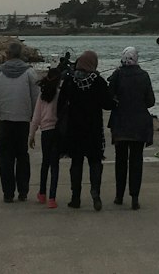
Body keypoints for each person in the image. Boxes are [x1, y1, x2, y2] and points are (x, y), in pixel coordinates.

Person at [0, 40, 39, 203]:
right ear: (21, 55)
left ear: (8, 54)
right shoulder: (30, 73)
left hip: (4, 121)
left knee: (5, 158)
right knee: (22, 156)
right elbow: (36, 97)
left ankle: (8, 193)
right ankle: (23, 192)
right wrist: (34, 116)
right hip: (23, 122)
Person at [57, 50, 114, 211]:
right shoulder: (97, 81)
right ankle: (95, 193)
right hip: (93, 129)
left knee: (76, 163)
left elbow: (60, 104)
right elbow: (108, 104)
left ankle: (75, 198)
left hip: (74, 129)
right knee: (95, 162)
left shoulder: (69, 80)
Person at [107, 47, 155, 210]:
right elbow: (150, 102)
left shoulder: (118, 75)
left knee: (120, 161)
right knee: (136, 161)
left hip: (120, 124)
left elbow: (109, 97)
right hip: (139, 125)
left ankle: (119, 196)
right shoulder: (144, 75)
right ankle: (135, 197)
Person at [28, 63, 63, 208]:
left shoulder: (42, 95)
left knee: (45, 163)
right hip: (57, 131)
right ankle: (52, 198)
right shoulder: (59, 94)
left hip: (46, 132)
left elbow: (36, 117)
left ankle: (42, 193)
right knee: (55, 165)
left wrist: (31, 134)